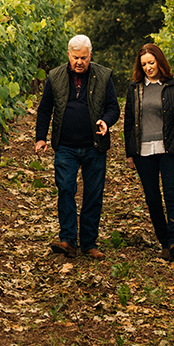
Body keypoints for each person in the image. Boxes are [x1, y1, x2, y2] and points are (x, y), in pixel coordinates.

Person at [34, 35, 120, 259]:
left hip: (94, 146)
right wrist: (41, 137)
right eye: (75, 57)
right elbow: (45, 109)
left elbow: (113, 107)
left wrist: (106, 121)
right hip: (65, 146)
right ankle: (68, 240)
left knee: (93, 194)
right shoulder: (56, 76)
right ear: (68, 55)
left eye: (83, 57)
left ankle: (89, 243)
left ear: (90, 56)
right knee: (65, 189)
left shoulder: (103, 76)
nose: (79, 62)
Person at [123, 43, 174, 262]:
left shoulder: (173, 87)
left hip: (170, 148)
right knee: (153, 198)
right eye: (144, 64)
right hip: (143, 151)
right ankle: (163, 241)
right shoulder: (134, 89)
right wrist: (129, 152)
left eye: (151, 63)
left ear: (159, 61)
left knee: (171, 195)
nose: (148, 67)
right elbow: (129, 122)